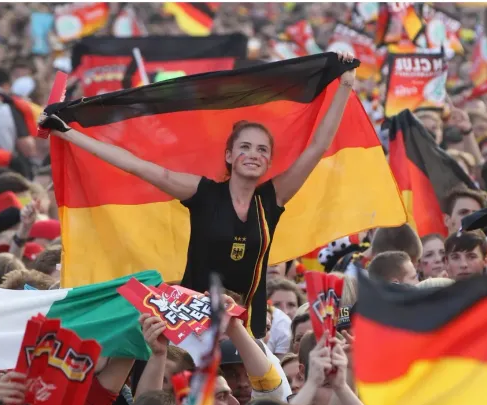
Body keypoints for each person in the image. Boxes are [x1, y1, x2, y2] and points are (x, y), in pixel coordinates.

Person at [38, 52, 357, 338]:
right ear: (230, 156)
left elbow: (317, 147)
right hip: (193, 327)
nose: (253, 154)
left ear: (269, 162)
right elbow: (137, 166)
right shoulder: (203, 193)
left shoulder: (273, 198)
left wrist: (345, 84)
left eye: (262, 150)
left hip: (247, 326)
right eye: (244, 147)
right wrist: (69, 134)